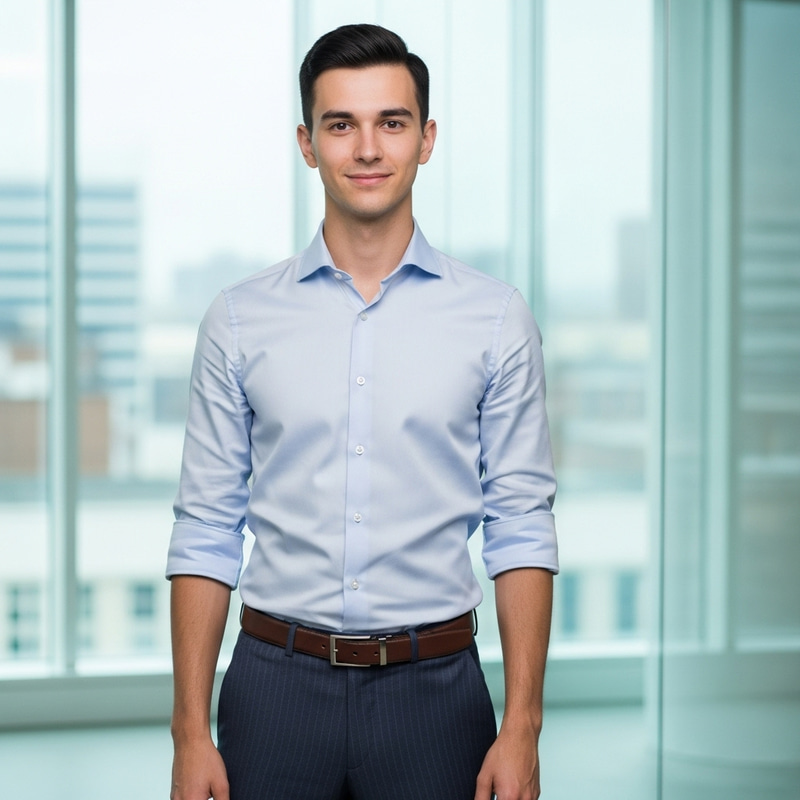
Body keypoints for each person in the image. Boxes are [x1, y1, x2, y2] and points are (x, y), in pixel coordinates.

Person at [167, 22, 558, 800]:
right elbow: (206, 527)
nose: (369, 148)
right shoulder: (239, 319)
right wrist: (188, 733)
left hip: (436, 696)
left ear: (426, 139)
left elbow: (521, 525)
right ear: (308, 144)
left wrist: (523, 727)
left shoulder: (495, 319)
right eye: (342, 124)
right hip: (273, 691)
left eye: (392, 122)